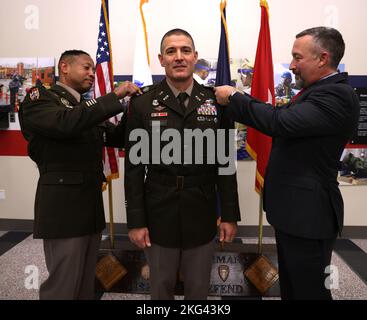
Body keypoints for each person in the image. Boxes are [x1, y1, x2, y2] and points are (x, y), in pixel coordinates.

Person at [214, 27, 360, 300]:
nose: (292, 65)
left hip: (309, 217)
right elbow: (279, 115)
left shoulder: (336, 96)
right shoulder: (316, 92)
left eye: (297, 57)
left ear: (322, 58)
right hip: (295, 215)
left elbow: (280, 122)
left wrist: (235, 96)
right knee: (293, 288)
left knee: (310, 291)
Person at [124, 29, 240, 300]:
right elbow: (133, 169)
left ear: (195, 57)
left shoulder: (217, 102)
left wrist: (231, 214)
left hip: (202, 208)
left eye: (185, 50)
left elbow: (226, 163)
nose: (179, 57)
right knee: (161, 286)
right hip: (157, 211)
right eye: (171, 51)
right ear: (161, 59)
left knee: (198, 288)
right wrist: (136, 221)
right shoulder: (142, 104)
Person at [19, 49, 141, 300]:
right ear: (64, 67)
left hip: (90, 207)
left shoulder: (84, 108)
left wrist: (134, 109)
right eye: (86, 67)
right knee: (63, 286)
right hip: (62, 209)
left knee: (86, 284)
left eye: (92, 69)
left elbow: (118, 137)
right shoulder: (41, 97)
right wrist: (113, 96)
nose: (91, 73)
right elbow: (65, 123)